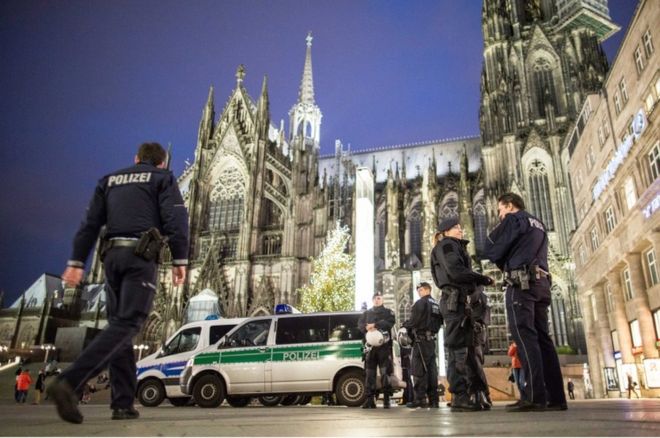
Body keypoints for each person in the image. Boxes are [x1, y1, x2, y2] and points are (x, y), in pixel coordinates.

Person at [47, 142, 189, 424]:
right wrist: (180, 260)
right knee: (129, 323)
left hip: (110, 258)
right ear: (162, 163)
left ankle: (123, 403)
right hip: (140, 256)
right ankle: (69, 380)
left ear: (135, 159)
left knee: (120, 328)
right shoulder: (163, 178)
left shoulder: (109, 180)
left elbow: (89, 224)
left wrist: (76, 262)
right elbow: (176, 219)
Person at [484, 192, 567, 412]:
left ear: (509, 206)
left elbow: (490, 248)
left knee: (525, 338)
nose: (500, 215)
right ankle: (556, 397)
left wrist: (505, 259)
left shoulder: (514, 219)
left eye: (500, 210)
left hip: (521, 284)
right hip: (542, 284)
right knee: (543, 340)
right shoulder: (538, 222)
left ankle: (534, 397)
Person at [431, 218, 493, 412]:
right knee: (458, 349)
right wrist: (482, 278)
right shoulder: (447, 246)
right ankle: (459, 396)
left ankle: (475, 394)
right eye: (456, 227)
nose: (461, 230)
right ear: (445, 232)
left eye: (460, 227)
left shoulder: (454, 246)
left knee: (468, 349)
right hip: (453, 302)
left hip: (460, 302)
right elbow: (456, 272)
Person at [403, 282, 443, 409]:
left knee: (419, 369)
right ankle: (434, 400)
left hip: (420, 340)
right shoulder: (436, 304)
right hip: (431, 340)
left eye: (421, 290)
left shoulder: (420, 303)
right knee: (432, 370)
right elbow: (440, 322)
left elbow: (414, 321)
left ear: (427, 290)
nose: (419, 292)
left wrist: (405, 326)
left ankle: (420, 399)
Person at [358, 291, 396, 409]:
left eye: (379, 298)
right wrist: (365, 327)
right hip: (370, 348)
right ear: (372, 300)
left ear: (382, 300)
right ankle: (370, 400)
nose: (377, 300)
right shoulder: (366, 313)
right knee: (369, 374)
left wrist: (375, 325)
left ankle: (386, 399)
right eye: (375, 298)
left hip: (383, 348)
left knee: (385, 374)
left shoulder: (388, 312)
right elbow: (360, 325)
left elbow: (389, 323)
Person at [466, 287, 492, 409]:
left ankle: (483, 395)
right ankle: (482, 395)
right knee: (475, 364)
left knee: (475, 364)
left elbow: (475, 315)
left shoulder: (476, 295)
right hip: (479, 333)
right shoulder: (481, 295)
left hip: (474, 332)